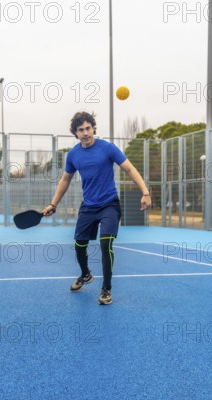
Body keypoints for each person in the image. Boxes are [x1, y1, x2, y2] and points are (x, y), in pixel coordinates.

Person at [42, 111, 151, 305]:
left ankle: (106, 289)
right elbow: (65, 180)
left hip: (109, 204)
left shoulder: (107, 148)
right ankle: (85, 274)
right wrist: (53, 204)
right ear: (76, 133)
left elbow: (129, 168)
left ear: (93, 128)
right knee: (79, 245)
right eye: (80, 130)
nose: (85, 133)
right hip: (89, 206)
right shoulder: (73, 154)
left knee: (105, 243)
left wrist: (145, 192)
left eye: (88, 128)